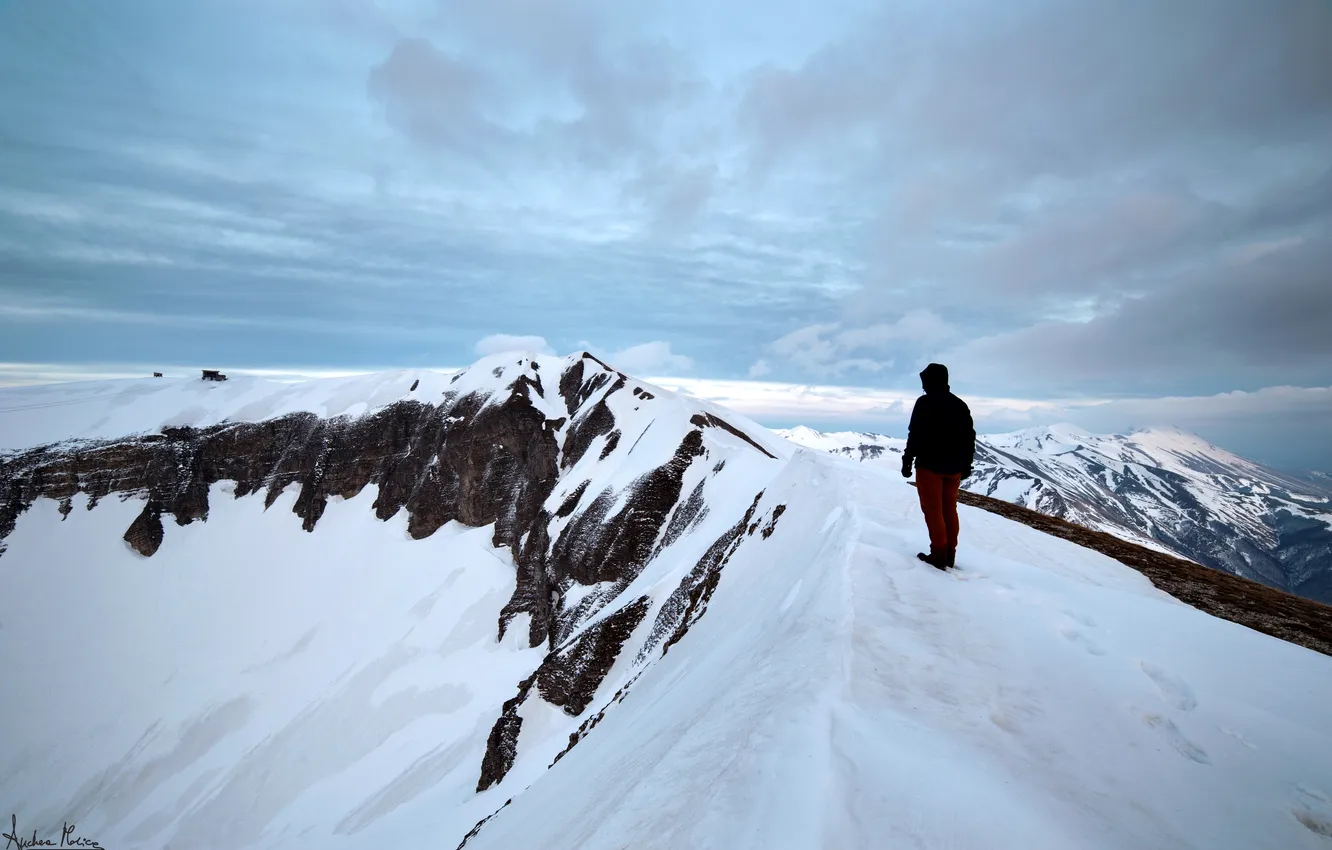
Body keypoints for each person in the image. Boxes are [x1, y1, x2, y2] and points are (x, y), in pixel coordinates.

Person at [901, 363, 976, 570]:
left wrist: (907, 460)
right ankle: (950, 554)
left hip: (929, 466)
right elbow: (969, 437)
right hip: (954, 468)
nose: (923, 385)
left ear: (930, 381)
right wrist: (967, 464)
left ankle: (938, 555)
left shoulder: (924, 403)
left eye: (924, 380)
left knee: (933, 511)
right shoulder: (960, 405)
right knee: (949, 510)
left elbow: (914, 433)